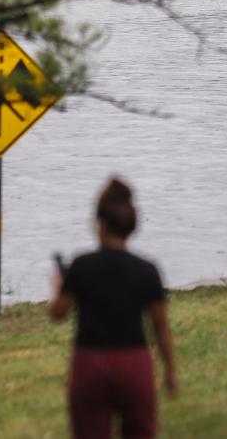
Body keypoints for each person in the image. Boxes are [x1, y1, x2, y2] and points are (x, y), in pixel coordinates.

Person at [49, 177, 177, 439]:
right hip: (134, 363)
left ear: (101, 224)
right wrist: (170, 372)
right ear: (130, 226)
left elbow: (57, 313)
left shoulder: (81, 266)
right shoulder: (147, 271)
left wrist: (58, 286)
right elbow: (160, 329)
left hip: (90, 362)